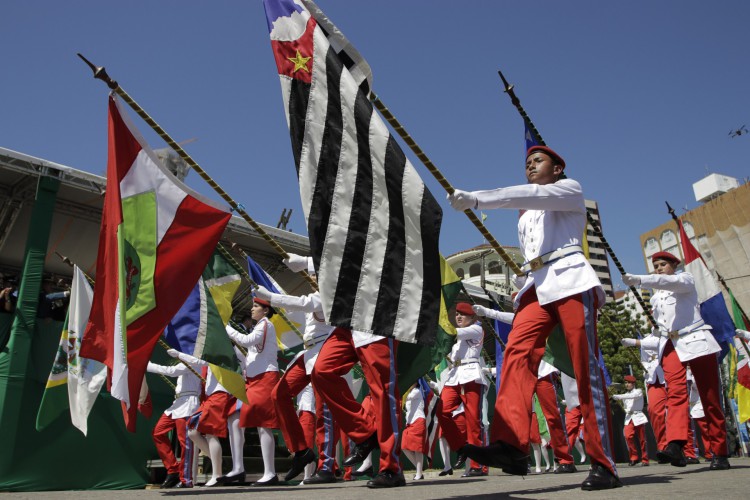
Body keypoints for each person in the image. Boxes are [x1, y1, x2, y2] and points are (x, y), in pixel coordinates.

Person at [448, 145, 620, 490]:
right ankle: (510, 444)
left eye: (537, 161)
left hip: (571, 278)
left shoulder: (569, 190)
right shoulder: (526, 214)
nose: (529, 166)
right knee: (516, 353)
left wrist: (478, 199)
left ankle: (604, 463)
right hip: (536, 287)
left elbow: (527, 195)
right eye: (526, 163)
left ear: (558, 169)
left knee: (584, 367)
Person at [623, 251, 730, 470]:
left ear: (674, 265)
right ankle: (676, 445)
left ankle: (719, 452)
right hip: (671, 345)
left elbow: (667, 282)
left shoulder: (684, 279)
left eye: (663, 264)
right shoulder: (657, 296)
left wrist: (640, 279)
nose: (659, 268)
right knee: (675, 394)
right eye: (656, 265)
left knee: (710, 399)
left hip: (697, 339)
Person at [259, 254, 338, 484]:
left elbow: (304, 303)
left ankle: (327, 466)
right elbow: (296, 309)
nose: (312, 278)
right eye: (311, 274)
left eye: (316, 274)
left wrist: (273, 297)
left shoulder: (330, 294)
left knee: (324, 412)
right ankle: (302, 451)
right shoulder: (315, 293)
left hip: (325, 353)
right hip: (308, 353)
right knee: (279, 395)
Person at [472, 305, 577, 473]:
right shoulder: (523, 318)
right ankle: (519, 458)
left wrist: (489, 312)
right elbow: (513, 318)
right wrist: (488, 312)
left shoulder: (542, 311)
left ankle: (565, 459)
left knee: (553, 417)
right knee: (518, 415)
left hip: (543, 370)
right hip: (525, 370)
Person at [226, 297, 280, 486]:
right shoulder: (259, 326)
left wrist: (227, 327)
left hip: (265, 378)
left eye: (256, 306)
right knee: (256, 423)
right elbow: (250, 351)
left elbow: (247, 341)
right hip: (256, 379)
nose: (252, 309)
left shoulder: (265, 324)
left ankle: (270, 472)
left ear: (265, 311)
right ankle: (259, 471)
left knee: (263, 424)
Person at [435, 302, 488, 477]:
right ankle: (460, 447)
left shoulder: (476, 329)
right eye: (457, 314)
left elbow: (451, 333)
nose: (458, 317)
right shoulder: (461, 335)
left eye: (463, 315)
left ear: (472, 318)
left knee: (473, 421)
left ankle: (477, 464)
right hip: (454, 376)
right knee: (442, 411)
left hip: (471, 375)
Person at [170, 349, 236, 487]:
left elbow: (200, 361)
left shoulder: (221, 349)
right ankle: (217, 460)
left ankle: (217, 474)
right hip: (209, 396)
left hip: (219, 393)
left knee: (211, 434)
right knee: (192, 431)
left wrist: (179, 354)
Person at [146, 358, 202, 488]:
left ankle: (186, 479)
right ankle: (173, 470)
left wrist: (146, 364)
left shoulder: (193, 360)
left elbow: (171, 371)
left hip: (189, 403)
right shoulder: (184, 361)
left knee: (185, 442)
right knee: (157, 432)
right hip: (177, 403)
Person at [620, 333, 669, 458]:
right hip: (654, 379)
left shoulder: (665, 332)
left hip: (669, 375)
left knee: (678, 412)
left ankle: (689, 451)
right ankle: (664, 448)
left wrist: (636, 342)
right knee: (655, 412)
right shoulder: (646, 338)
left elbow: (659, 342)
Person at [612, 375, 649, 466]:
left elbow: (632, 396)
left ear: (633, 383)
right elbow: (625, 400)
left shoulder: (638, 391)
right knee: (628, 436)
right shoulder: (626, 395)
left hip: (638, 416)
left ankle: (645, 459)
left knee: (642, 439)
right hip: (629, 418)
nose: (627, 385)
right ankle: (634, 457)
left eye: (628, 383)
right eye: (626, 383)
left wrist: (615, 396)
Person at [401, 381, 427, 481]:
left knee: (417, 449)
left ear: (416, 383)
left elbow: (405, 398)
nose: (410, 383)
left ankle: (419, 473)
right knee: (404, 447)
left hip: (418, 421)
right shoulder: (408, 393)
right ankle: (419, 468)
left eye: (413, 382)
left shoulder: (416, 391)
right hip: (410, 423)